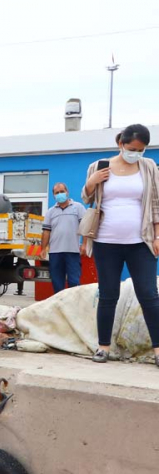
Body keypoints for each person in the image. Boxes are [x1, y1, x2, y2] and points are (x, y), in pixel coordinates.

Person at [81, 124, 159, 368]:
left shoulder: (148, 167)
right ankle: (103, 347)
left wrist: (157, 235)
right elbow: (87, 198)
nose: (135, 153)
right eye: (131, 148)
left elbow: (156, 202)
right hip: (106, 243)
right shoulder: (99, 166)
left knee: (149, 295)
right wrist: (92, 182)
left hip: (140, 242)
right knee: (108, 295)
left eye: (141, 149)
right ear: (120, 144)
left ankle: (158, 350)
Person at [41, 182, 86, 294]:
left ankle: (74, 308)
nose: (60, 194)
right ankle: (59, 308)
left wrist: (85, 244)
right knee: (57, 284)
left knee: (74, 283)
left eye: (62, 191)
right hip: (55, 253)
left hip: (73, 252)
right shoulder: (50, 212)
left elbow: (85, 227)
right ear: (54, 195)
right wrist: (43, 249)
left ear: (67, 192)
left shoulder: (78, 207)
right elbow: (46, 231)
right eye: (57, 193)